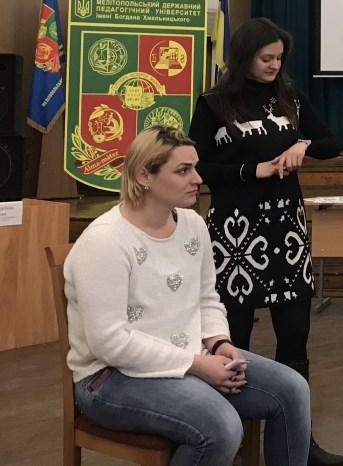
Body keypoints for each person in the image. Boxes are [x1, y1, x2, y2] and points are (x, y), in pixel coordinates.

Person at [64, 126, 312, 465]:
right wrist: (197, 366)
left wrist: (219, 343)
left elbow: (207, 298)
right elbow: (110, 343)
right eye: (183, 170)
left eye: (195, 167)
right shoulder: (105, 242)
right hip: (110, 379)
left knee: (292, 390)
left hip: (190, 356)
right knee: (221, 426)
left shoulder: (193, 224)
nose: (198, 178)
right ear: (144, 176)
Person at [188, 17, 343, 466]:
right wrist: (251, 170)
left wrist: (304, 146)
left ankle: (300, 441)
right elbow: (197, 167)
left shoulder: (290, 97)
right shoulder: (214, 104)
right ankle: (234, 441)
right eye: (266, 58)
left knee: (295, 336)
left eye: (279, 58)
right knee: (233, 339)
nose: (275, 65)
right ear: (245, 57)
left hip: (285, 232)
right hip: (235, 234)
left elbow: (332, 142)